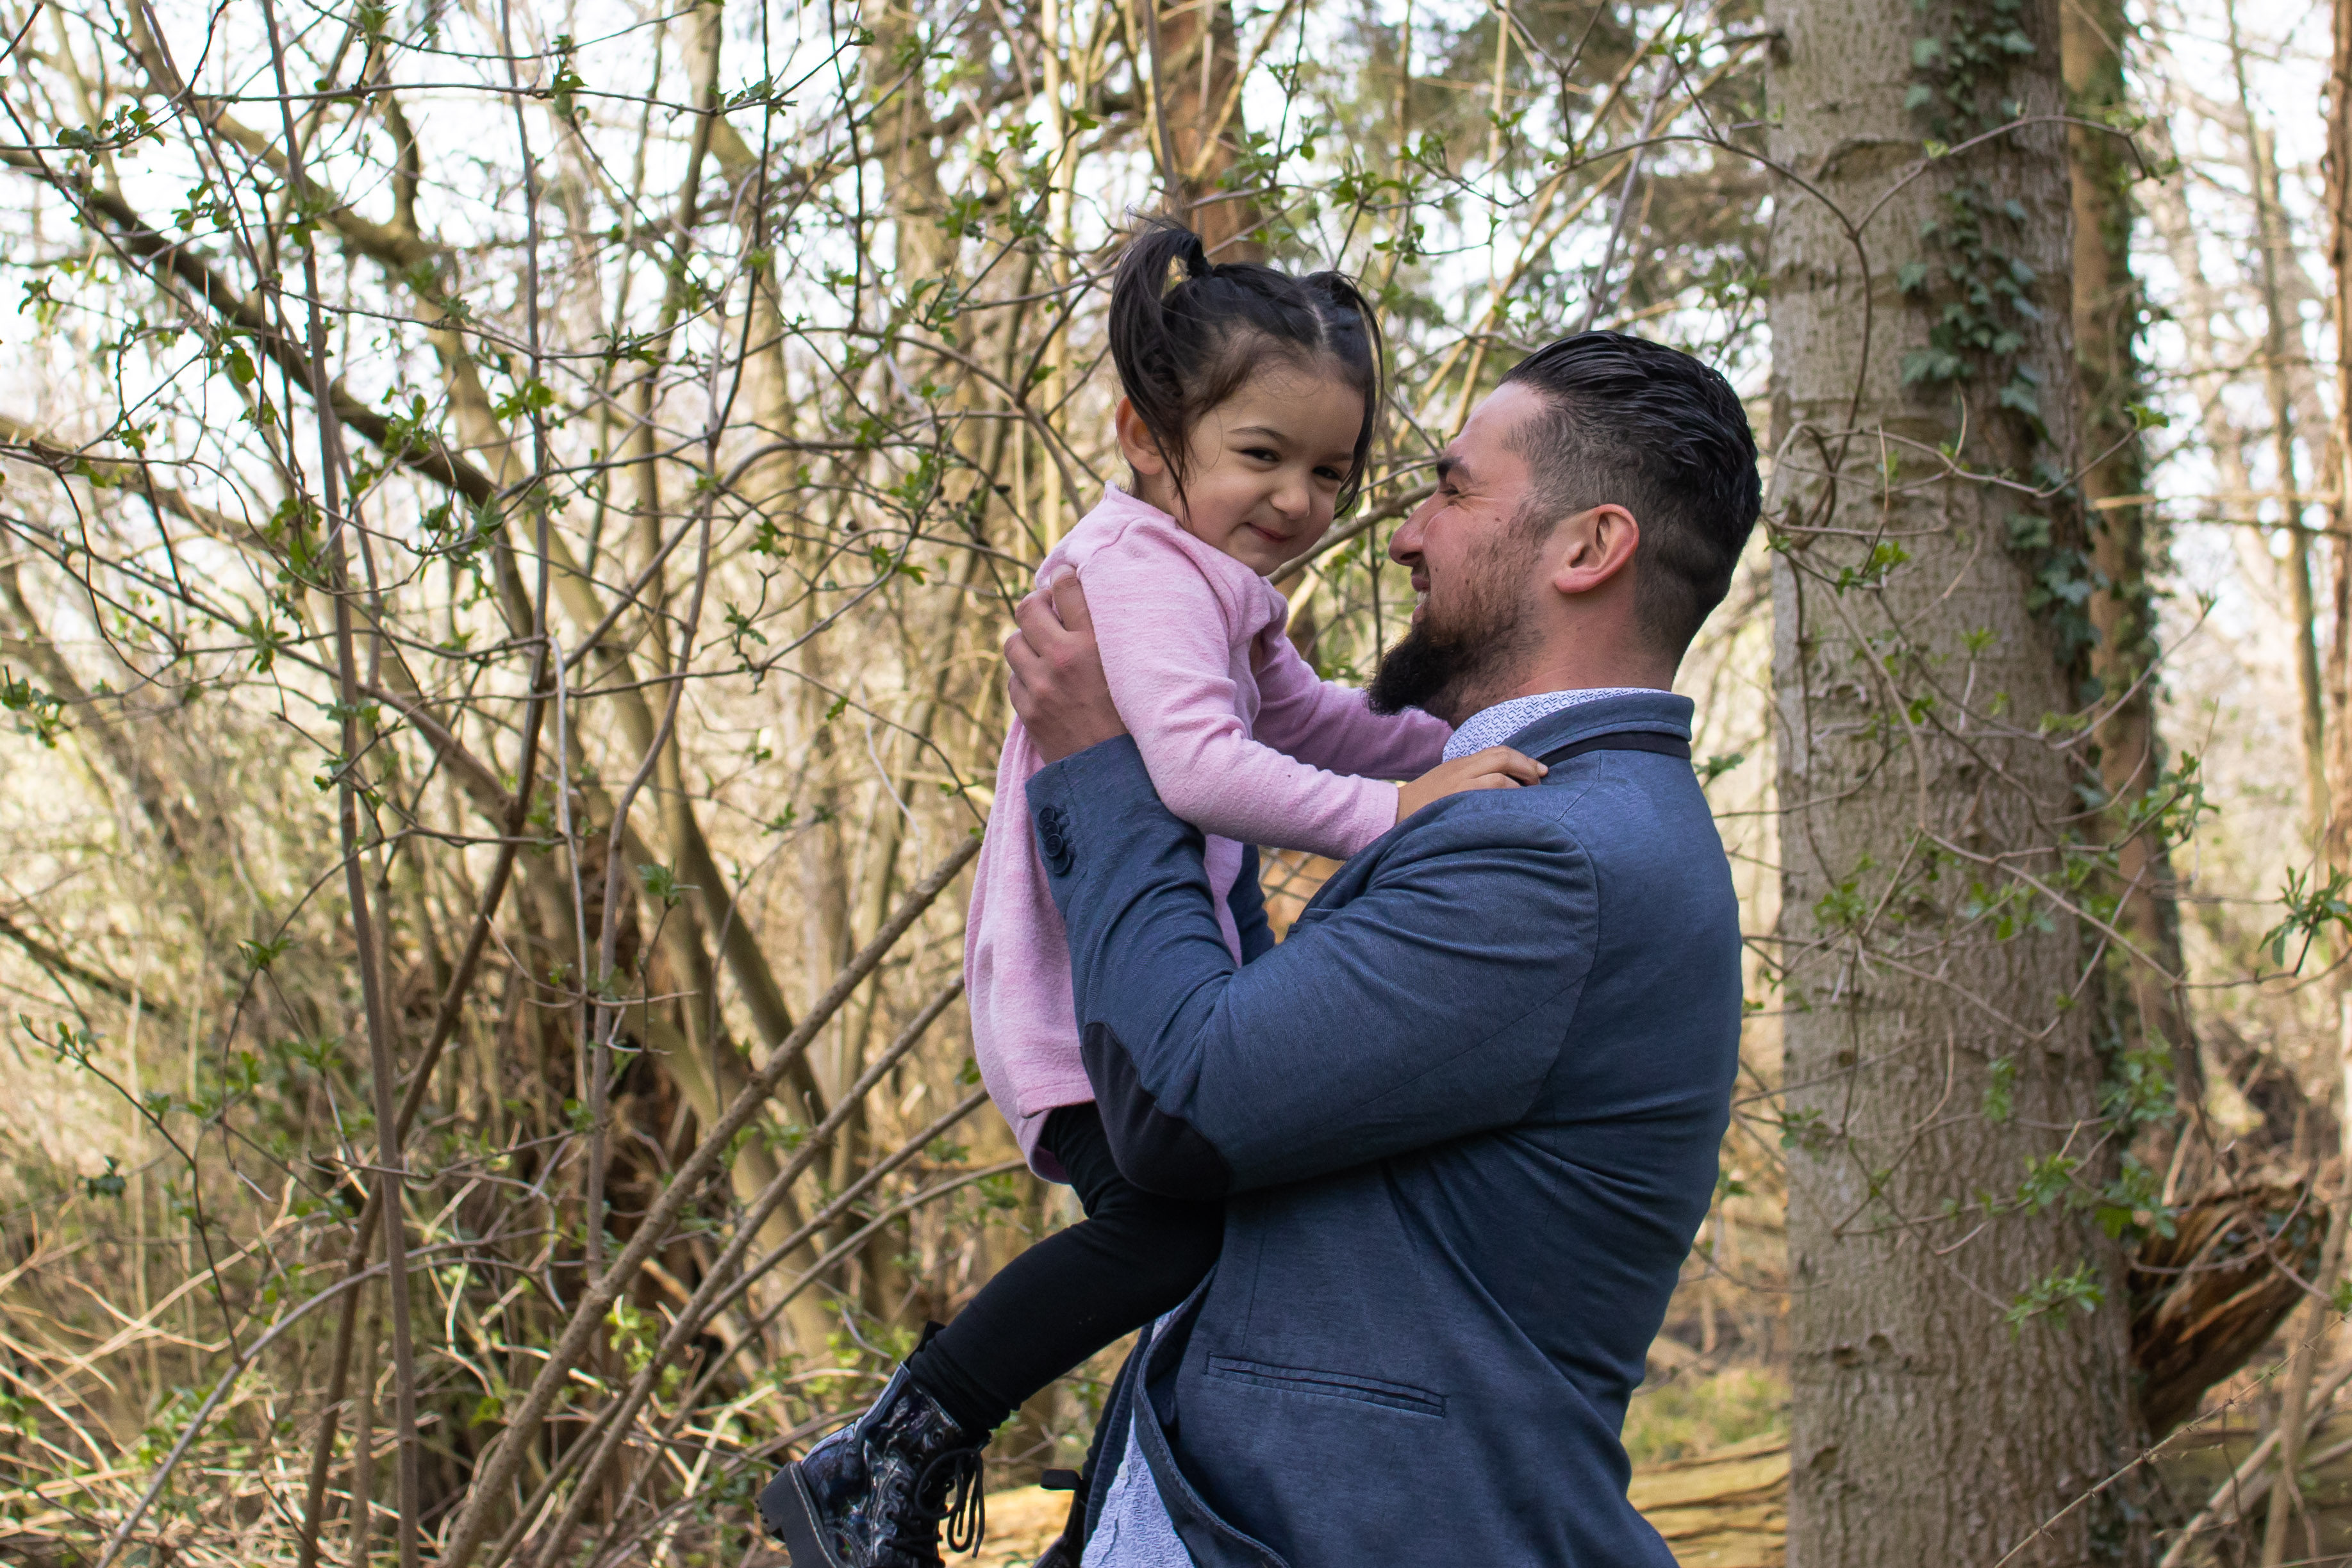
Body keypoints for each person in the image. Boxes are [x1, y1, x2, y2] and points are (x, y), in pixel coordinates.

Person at [757, 220, 1541, 1568]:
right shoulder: (1139, 574)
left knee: (1221, 1239)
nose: (1298, 501)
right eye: (1260, 456)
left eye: (1330, 471)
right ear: (1143, 437)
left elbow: (1318, 725)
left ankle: (1114, 1480)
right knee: (1163, 1232)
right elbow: (1198, 769)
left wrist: (1471, 752)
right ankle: (882, 1452)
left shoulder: (1219, 586)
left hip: (1154, 969)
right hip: (1083, 995)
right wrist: (1401, 818)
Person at [1003, 329, 1760, 1566]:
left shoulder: (1548, 855)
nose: (1402, 534)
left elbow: (1183, 1102)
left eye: (1453, 490)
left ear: (1588, 548)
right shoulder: (1544, 815)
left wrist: (1107, 765)